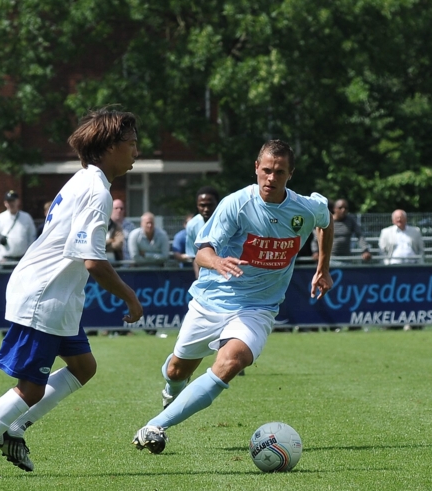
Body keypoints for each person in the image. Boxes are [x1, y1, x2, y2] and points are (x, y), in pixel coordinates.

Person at [0, 107, 144, 480]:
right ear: (110, 146)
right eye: (132, 144)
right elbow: (93, 262)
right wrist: (131, 296)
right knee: (31, 388)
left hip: (59, 297)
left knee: (84, 368)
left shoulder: (83, 179)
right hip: (44, 295)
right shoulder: (96, 191)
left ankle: (13, 429)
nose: (137, 151)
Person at [132, 139, 333, 454]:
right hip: (212, 302)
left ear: (290, 174)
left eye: (279, 172)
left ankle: (156, 425)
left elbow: (326, 221)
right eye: (266, 170)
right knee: (177, 371)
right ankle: (172, 391)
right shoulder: (236, 204)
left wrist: (323, 267)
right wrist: (217, 261)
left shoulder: (305, 208)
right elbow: (202, 253)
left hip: (258, 308)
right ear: (256, 168)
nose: (271, 178)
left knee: (232, 361)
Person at [0, 190, 37, 262]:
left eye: (13, 201)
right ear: (5, 203)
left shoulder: (26, 217)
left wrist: (28, 255)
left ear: (18, 201)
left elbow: (32, 238)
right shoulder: (0, 218)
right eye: (9, 201)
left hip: (23, 259)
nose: (11, 203)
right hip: (5, 260)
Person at [185, 186, 220, 275]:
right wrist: (198, 276)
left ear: (217, 204)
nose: (206, 209)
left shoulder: (226, 221)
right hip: (205, 274)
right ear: (197, 205)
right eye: (202, 205)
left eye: (210, 205)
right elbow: (194, 256)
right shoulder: (192, 225)